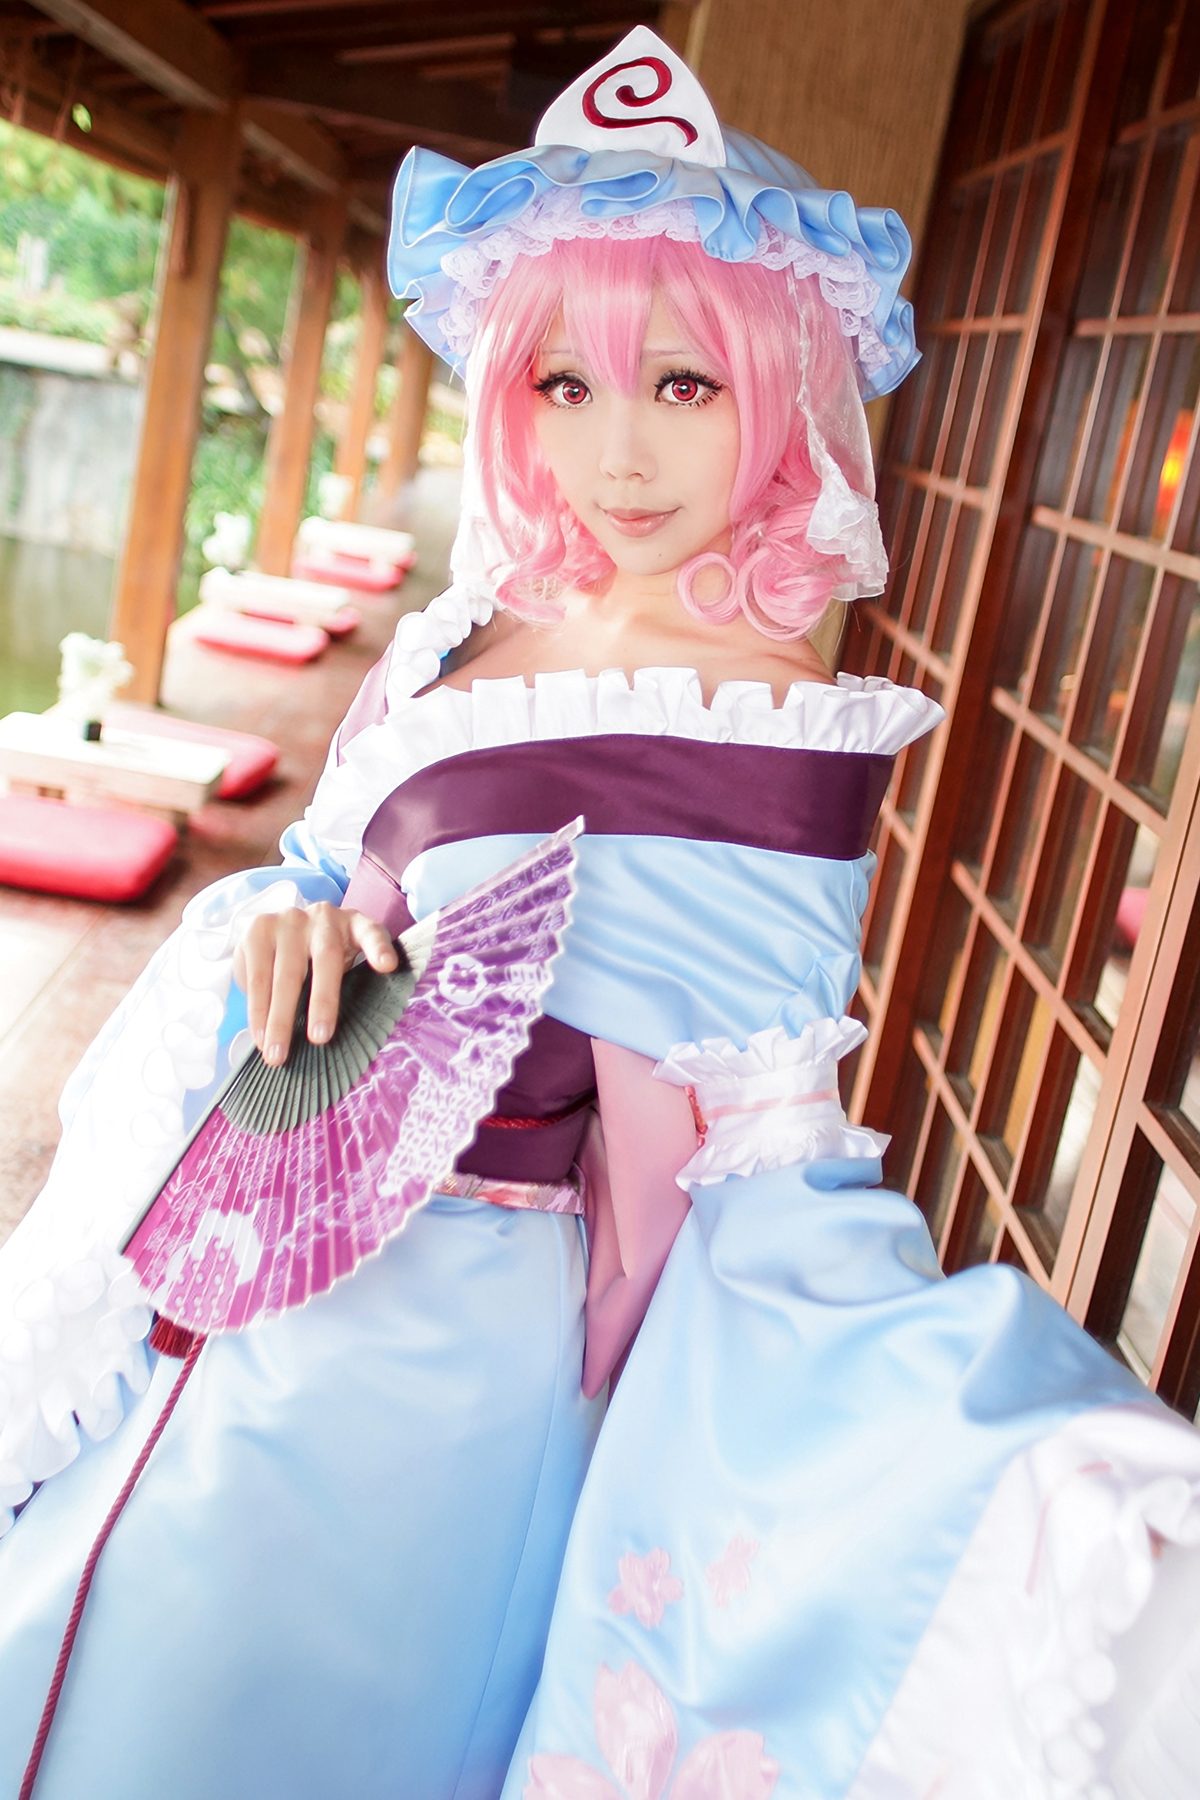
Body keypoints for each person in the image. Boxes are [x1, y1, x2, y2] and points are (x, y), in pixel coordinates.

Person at [1, 27, 1198, 1799]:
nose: (617, 453)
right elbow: (329, 866)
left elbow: (759, 1147)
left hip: (442, 1372)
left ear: (779, 389)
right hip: (249, 1240)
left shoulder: (776, 724)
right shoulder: (474, 620)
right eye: (565, 384)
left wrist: (1002, 1453)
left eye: (683, 386)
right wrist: (291, 928)